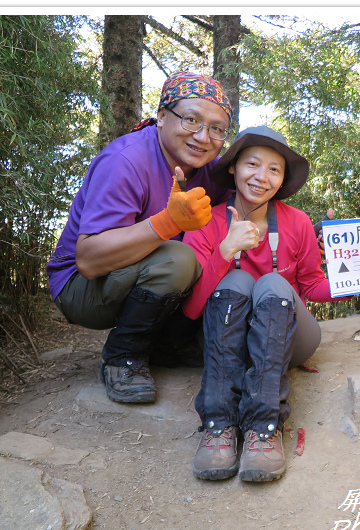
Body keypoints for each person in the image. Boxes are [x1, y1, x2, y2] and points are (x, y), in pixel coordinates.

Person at [182, 126, 360, 482]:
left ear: (281, 180)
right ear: (232, 167)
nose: (261, 177)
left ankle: (264, 427)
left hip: (288, 340)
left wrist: (358, 284)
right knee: (235, 280)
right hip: (225, 341)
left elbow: (311, 285)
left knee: (273, 283)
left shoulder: (297, 222)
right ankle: (218, 424)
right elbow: (191, 310)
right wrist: (225, 251)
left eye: (274, 169)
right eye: (252, 164)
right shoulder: (205, 222)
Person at [46, 71, 233, 404]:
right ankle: (122, 358)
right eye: (191, 120)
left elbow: (251, 203)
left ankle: (166, 345)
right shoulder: (125, 160)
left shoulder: (211, 170)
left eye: (217, 128)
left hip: (134, 277)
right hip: (80, 288)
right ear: (162, 116)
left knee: (215, 253)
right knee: (179, 258)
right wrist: (165, 223)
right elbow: (88, 261)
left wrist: (308, 233)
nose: (203, 137)